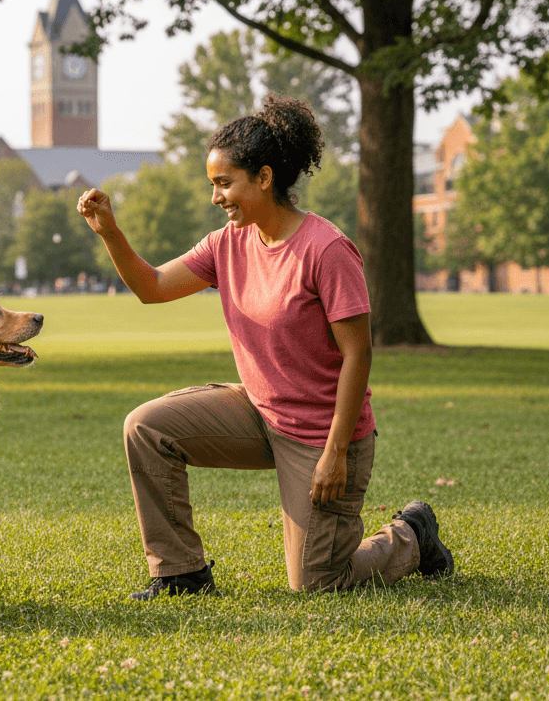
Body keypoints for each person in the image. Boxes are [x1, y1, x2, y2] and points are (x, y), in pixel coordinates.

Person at [77, 94, 454, 601]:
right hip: (259, 414)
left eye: (224, 183)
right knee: (147, 427)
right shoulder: (226, 243)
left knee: (319, 583)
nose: (217, 197)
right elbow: (152, 288)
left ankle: (411, 536)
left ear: (265, 177)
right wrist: (111, 234)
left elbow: (358, 355)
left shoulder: (326, 249)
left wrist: (336, 452)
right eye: (213, 184)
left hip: (322, 435)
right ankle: (180, 574)